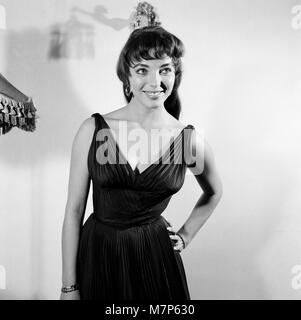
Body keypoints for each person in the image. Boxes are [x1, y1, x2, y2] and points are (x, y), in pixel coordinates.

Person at [60, 25, 223, 300]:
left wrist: (186, 234)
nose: (155, 81)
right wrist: (69, 287)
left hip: (156, 257)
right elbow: (74, 212)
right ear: (127, 76)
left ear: (176, 75)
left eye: (165, 69)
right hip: (99, 254)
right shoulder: (93, 129)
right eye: (142, 69)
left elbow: (214, 191)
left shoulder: (189, 140)